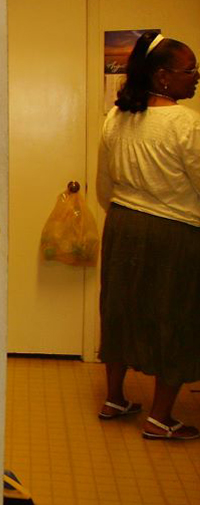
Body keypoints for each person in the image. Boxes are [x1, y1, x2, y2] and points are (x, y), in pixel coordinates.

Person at [96, 32, 200, 440]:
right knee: (174, 317)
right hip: (174, 232)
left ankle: (114, 398)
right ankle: (160, 417)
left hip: (122, 226)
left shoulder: (116, 117)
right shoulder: (185, 123)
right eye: (189, 70)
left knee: (119, 311)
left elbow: (104, 185)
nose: (196, 77)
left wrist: (125, 213)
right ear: (162, 76)